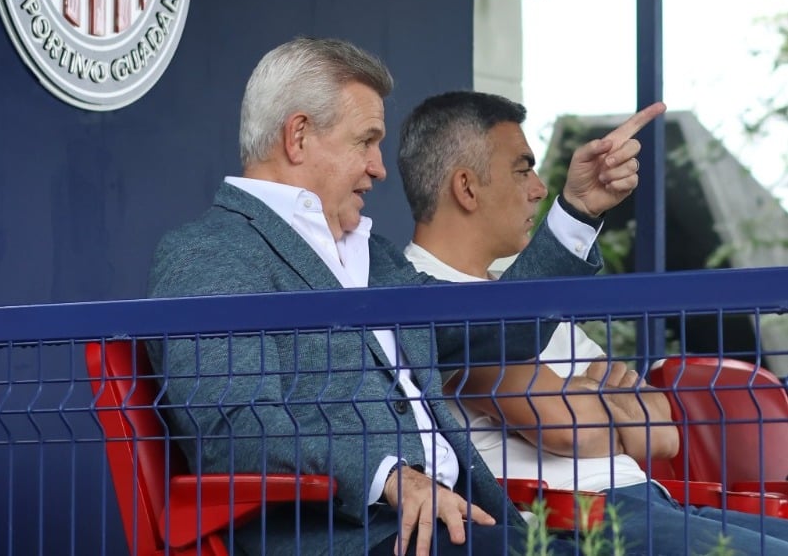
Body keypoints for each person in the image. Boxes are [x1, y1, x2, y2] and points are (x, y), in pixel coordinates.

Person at [147, 37, 659, 556]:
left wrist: (575, 213)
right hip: (353, 538)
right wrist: (389, 476)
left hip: (464, 527)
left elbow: (497, 329)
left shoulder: (374, 255)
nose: (379, 167)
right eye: (365, 141)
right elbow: (233, 425)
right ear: (298, 136)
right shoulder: (211, 251)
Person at [397, 89, 788, 554]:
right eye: (523, 169)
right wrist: (604, 398)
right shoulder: (423, 298)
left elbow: (664, 433)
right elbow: (567, 427)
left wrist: (584, 398)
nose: (540, 187)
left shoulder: (523, 289)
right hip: (575, 521)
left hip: (653, 505)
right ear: (466, 187)